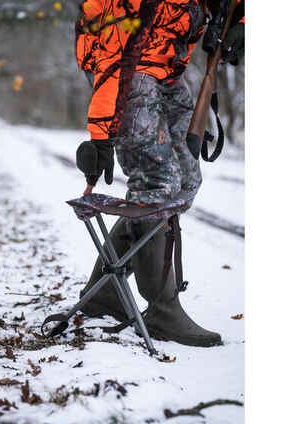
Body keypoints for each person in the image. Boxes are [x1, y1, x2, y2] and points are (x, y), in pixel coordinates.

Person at [74, 0, 244, 347]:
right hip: (128, 73)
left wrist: (240, 19)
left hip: (169, 73)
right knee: (157, 185)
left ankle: (103, 294)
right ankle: (163, 309)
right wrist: (102, 133)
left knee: (186, 180)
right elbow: (110, 54)